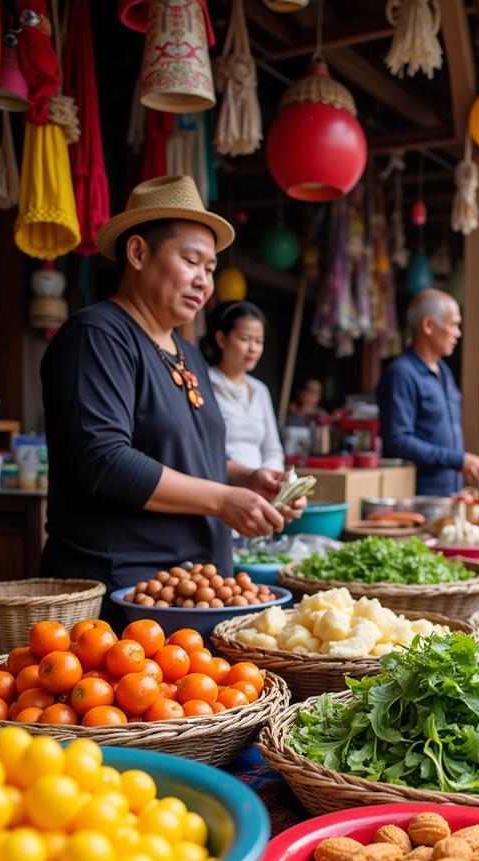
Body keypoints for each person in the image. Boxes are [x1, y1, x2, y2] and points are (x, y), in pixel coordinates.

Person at [40, 175, 302, 597]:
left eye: (211, 268)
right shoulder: (97, 335)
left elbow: (195, 458)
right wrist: (221, 499)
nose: (204, 280)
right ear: (138, 252)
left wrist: (250, 479)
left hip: (194, 588)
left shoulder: (189, 353)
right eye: (191, 261)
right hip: (124, 589)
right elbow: (105, 460)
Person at [377, 289, 479, 495]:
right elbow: (398, 440)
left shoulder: (444, 371)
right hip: (418, 495)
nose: (458, 333)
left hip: (450, 492)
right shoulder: (401, 373)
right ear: (428, 325)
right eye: (453, 324)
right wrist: (458, 460)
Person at [207, 301, 284, 472]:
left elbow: (273, 450)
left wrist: (266, 477)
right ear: (221, 339)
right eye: (245, 339)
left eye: (259, 341)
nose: (253, 348)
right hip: (220, 487)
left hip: (260, 489)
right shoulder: (204, 384)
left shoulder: (260, 390)